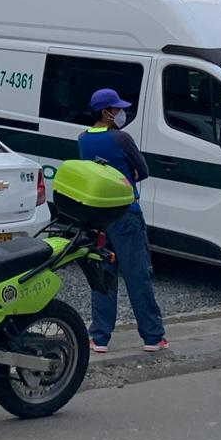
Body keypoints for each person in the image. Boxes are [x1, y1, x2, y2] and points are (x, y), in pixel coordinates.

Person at [79, 89, 168, 354]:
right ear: (106, 113)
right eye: (116, 109)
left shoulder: (83, 139)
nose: (120, 113)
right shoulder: (122, 138)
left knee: (104, 274)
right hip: (126, 214)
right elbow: (144, 170)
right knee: (137, 274)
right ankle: (152, 336)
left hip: (98, 215)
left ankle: (100, 337)